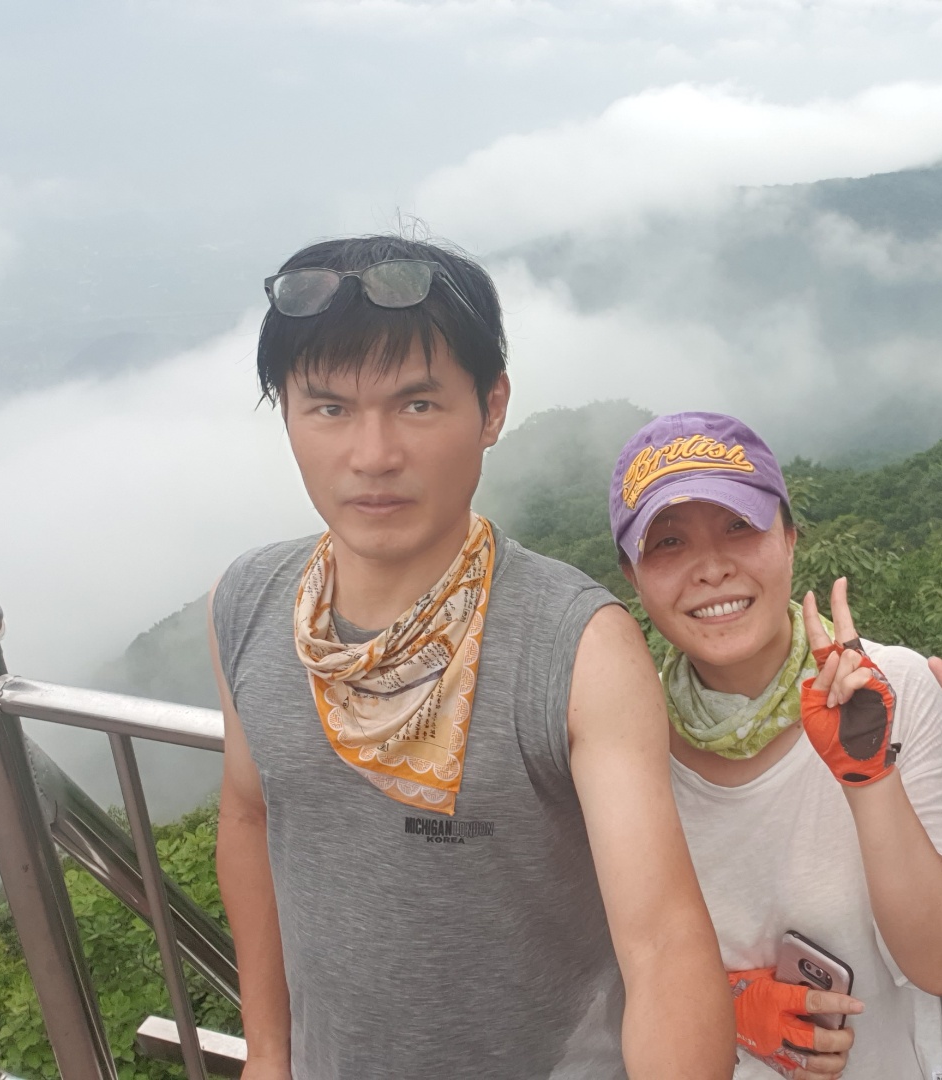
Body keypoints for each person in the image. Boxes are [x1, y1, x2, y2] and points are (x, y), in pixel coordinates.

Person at [209, 237, 733, 1080]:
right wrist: (268, 1053)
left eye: (417, 405)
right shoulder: (247, 604)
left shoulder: (576, 646)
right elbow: (249, 815)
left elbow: (664, 944)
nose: (373, 454)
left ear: (491, 409)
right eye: (329, 408)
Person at [608, 412, 942, 1079]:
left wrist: (869, 776)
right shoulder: (622, 744)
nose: (712, 568)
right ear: (632, 575)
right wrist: (724, 1005)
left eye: (739, 527)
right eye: (668, 542)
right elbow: (594, 967)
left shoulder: (890, 691)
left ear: (788, 539)